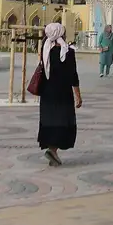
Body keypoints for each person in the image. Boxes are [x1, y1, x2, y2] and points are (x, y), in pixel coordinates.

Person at [38, 23, 82, 167]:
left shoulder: (45, 50)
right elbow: (73, 75)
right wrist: (78, 95)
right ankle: (53, 150)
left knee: (50, 120)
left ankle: (52, 150)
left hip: (47, 93)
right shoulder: (67, 52)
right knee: (62, 121)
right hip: (63, 93)